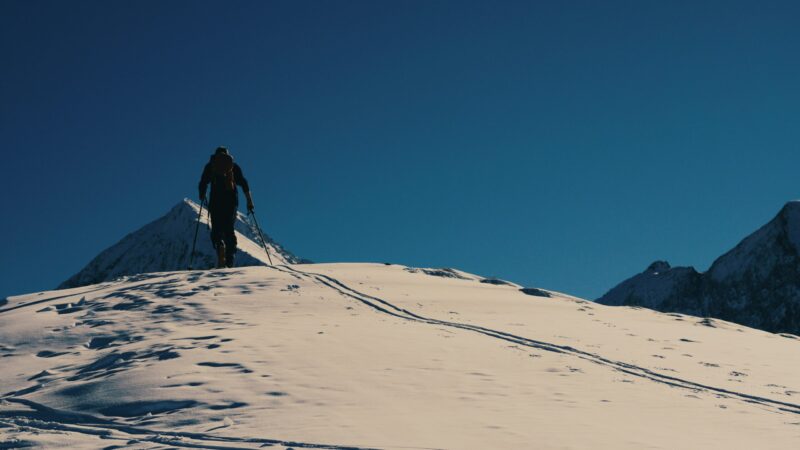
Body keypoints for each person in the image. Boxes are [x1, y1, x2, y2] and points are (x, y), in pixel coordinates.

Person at [198, 146, 255, 268]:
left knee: (217, 228)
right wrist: (249, 201)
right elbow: (244, 183)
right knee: (229, 228)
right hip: (231, 201)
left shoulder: (210, 166)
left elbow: (203, 182)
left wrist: (202, 195)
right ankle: (230, 258)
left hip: (216, 201)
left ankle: (220, 245)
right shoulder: (234, 166)